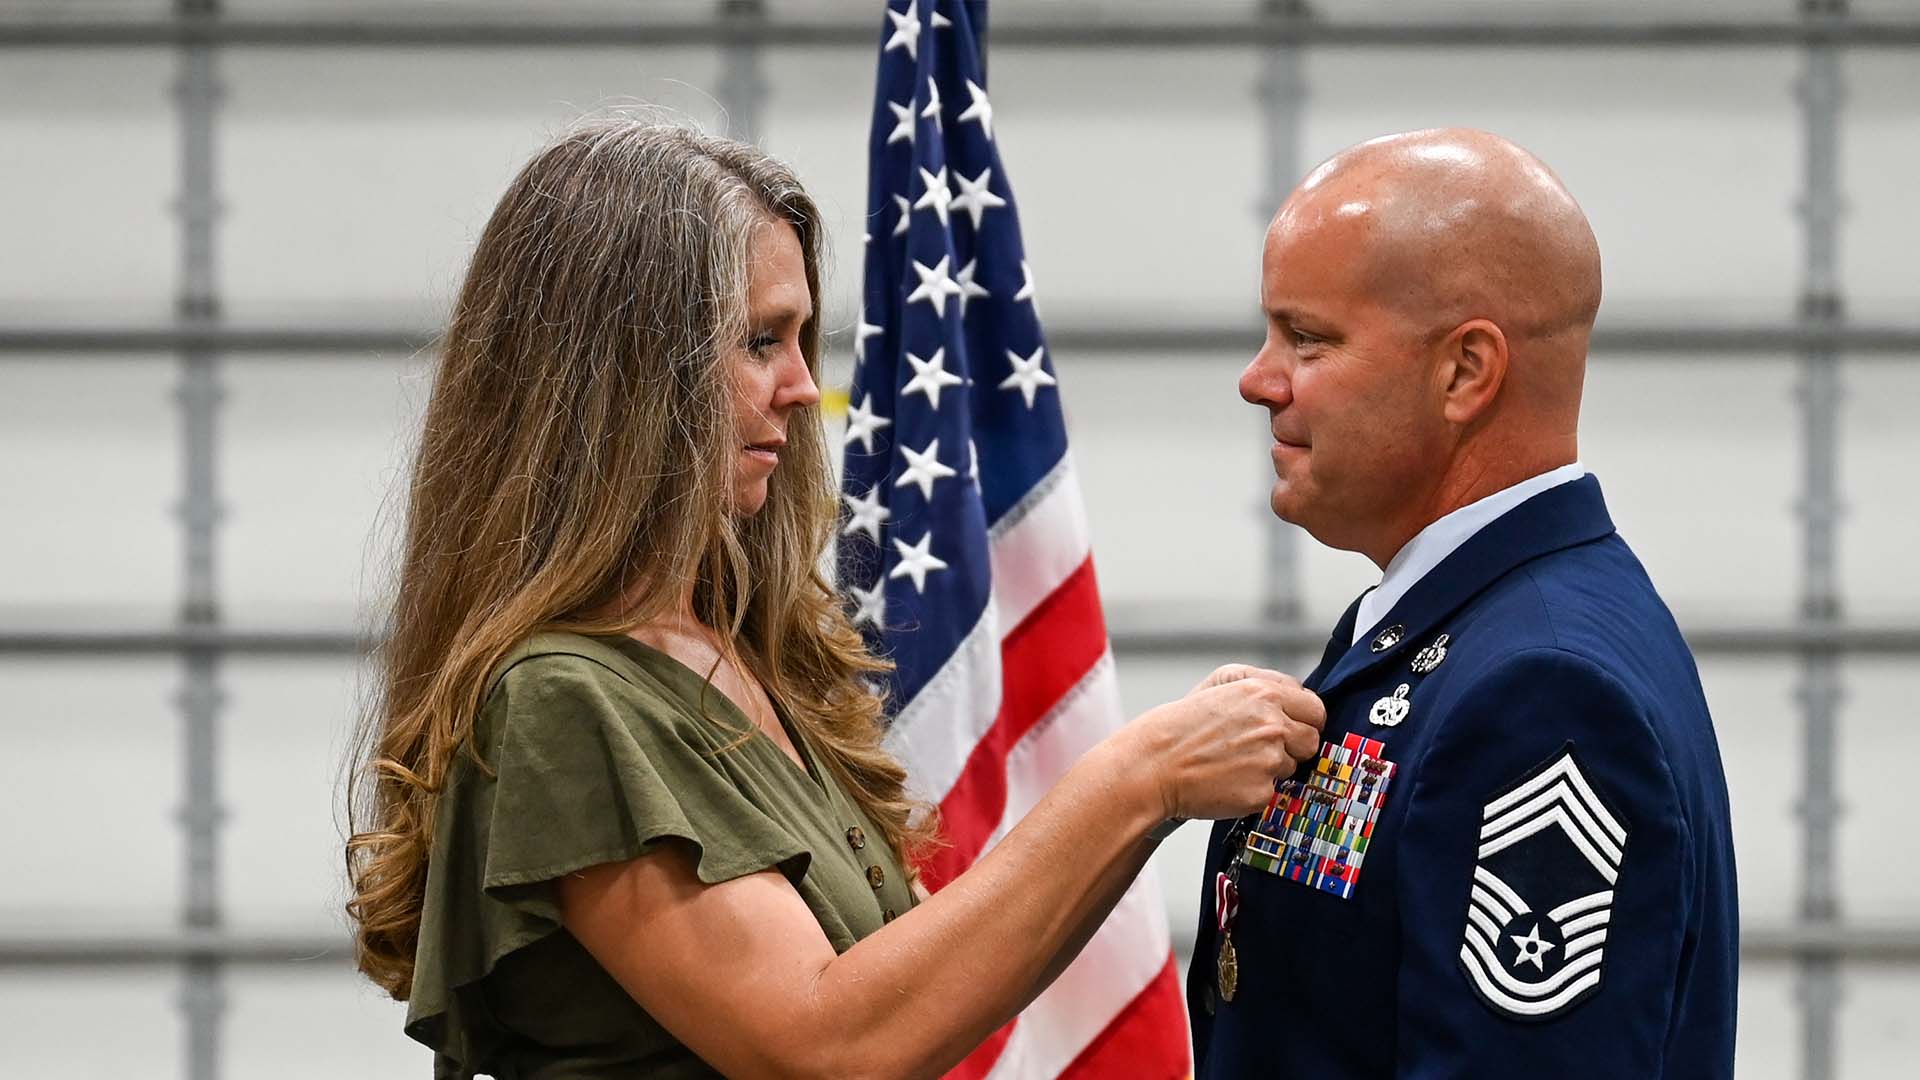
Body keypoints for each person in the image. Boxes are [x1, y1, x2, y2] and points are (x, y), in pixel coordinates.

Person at [343, 119, 1327, 1080]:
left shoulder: (735, 656)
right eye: (760, 340)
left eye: (802, 339)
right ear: (626, 368)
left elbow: (904, 999)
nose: (804, 388)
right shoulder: (562, 698)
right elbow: (822, 1044)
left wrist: (1147, 797)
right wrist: (1140, 779)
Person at [1187, 128, 1738, 1078]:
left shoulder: (1542, 692)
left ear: (1465, 374)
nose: (1258, 378)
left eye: (1307, 337)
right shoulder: (1457, 624)